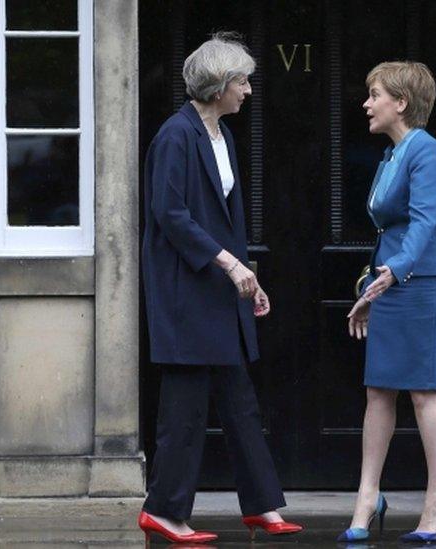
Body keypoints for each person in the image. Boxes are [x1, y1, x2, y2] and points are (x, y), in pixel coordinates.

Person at [138, 32, 302, 545]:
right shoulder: (175, 136)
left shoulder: (220, 136)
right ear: (217, 86)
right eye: (242, 81)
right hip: (186, 289)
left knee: (239, 399)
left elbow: (224, 219)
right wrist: (231, 265)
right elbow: (170, 214)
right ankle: (164, 511)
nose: (249, 90)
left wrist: (246, 279)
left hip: (218, 286)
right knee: (185, 405)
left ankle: (263, 507)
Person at [339, 61, 436, 544]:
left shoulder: (426, 151)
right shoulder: (393, 155)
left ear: (401, 102)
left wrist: (395, 273)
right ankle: (367, 496)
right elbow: (389, 229)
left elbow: (426, 221)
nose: (367, 104)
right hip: (391, 278)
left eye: (374, 95)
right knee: (378, 390)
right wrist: (373, 285)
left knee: (425, 390)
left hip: (423, 279)